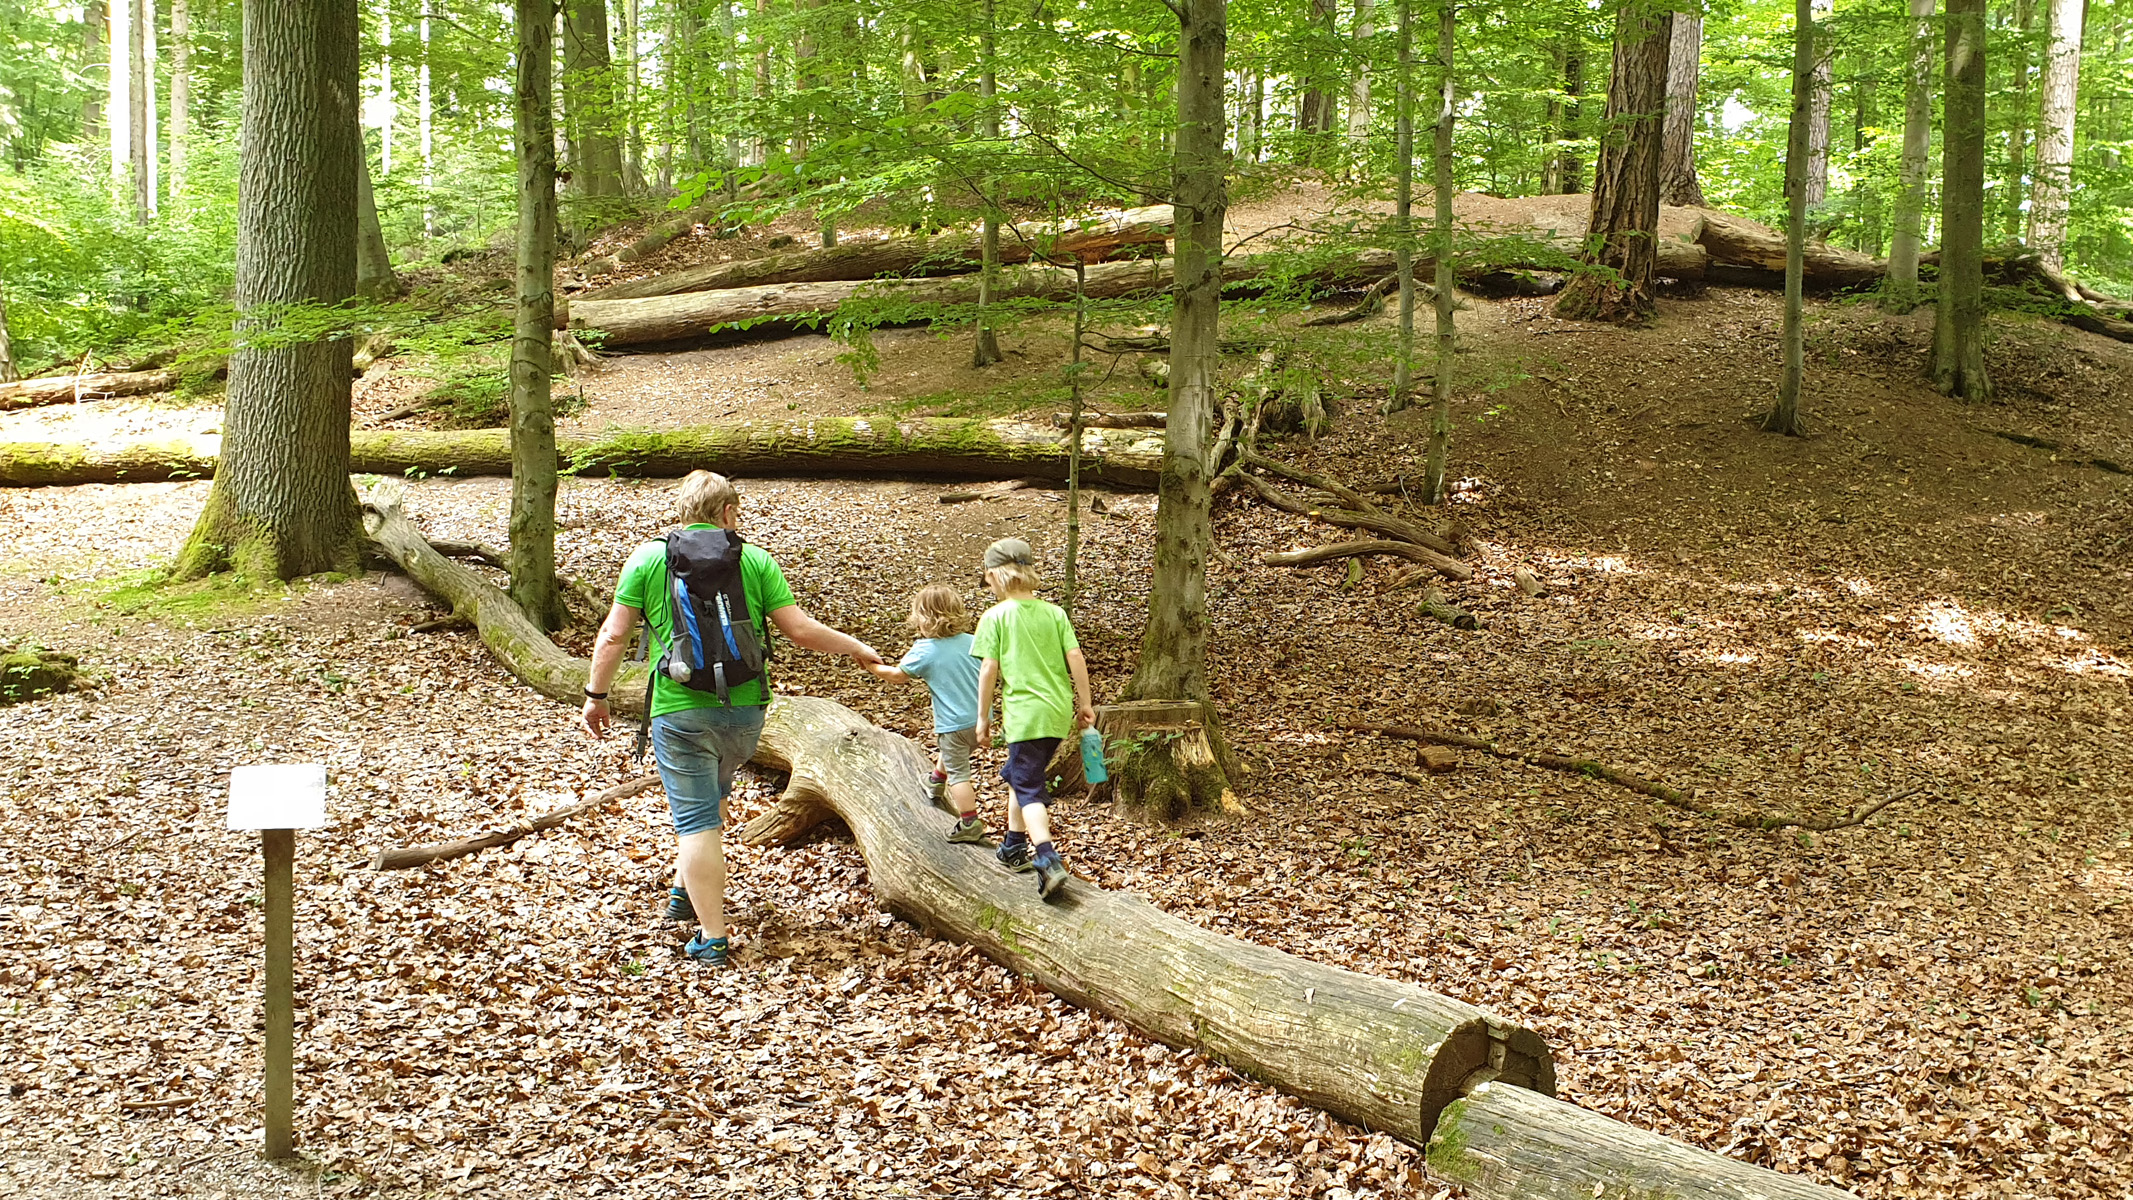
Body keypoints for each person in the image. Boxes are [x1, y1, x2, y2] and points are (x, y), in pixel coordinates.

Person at [581, 471, 881, 966]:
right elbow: (799, 630)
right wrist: (856, 648)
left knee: (696, 821)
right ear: (726, 513)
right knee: (712, 798)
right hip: (745, 715)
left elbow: (614, 636)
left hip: (680, 712)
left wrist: (597, 694)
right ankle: (683, 894)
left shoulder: (648, 558)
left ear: (683, 510)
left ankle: (712, 938)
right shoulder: (755, 559)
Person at [971, 538, 1095, 900]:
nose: (988, 586)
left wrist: (983, 717)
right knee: (1019, 774)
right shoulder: (1054, 613)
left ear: (995, 575)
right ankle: (1013, 845)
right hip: (1056, 711)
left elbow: (988, 670)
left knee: (1028, 787)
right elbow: (1076, 657)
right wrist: (1084, 704)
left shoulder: (995, 617)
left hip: (1024, 714)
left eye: (987, 580)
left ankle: (1046, 857)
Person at [860, 585, 988, 843]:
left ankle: (970, 822)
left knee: (960, 775)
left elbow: (898, 676)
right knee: (953, 755)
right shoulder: (974, 641)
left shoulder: (925, 649)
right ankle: (935, 780)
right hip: (981, 721)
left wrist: (872, 667)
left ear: (925, 618)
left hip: (952, 724)